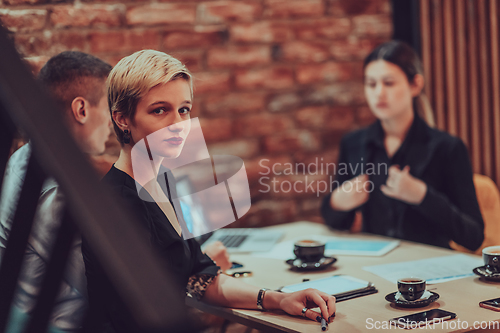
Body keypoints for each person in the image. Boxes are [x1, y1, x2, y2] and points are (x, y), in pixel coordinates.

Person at [81, 49, 336, 333]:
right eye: (159, 110)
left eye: (184, 109)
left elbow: (199, 277)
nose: (178, 124)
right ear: (122, 119)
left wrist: (279, 299)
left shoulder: (165, 183)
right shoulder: (116, 203)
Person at [321, 40, 484, 252]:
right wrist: (338, 202)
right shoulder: (353, 143)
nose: (379, 93)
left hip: (430, 270)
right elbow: (336, 222)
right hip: (374, 266)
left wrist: (423, 196)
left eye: (388, 83)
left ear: (415, 85)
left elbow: (474, 237)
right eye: (371, 84)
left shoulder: (448, 148)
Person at [0, 51, 112, 331]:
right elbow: (103, 287)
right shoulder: (52, 189)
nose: (113, 123)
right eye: (110, 107)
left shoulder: (25, 158)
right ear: (82, 110)